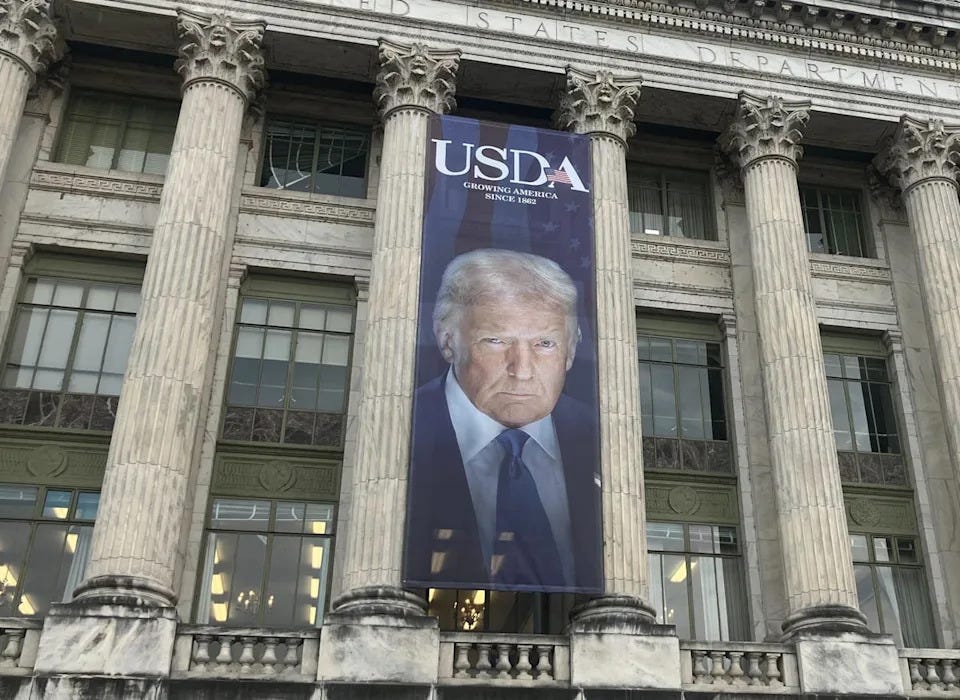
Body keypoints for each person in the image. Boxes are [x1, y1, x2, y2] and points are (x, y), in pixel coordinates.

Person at [403, 248, 602, 593]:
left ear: (570, 350)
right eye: (495, 341)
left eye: (545, 343)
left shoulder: (599, 434)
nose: (522, 370)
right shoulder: (402, 422)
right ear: (447, 340)